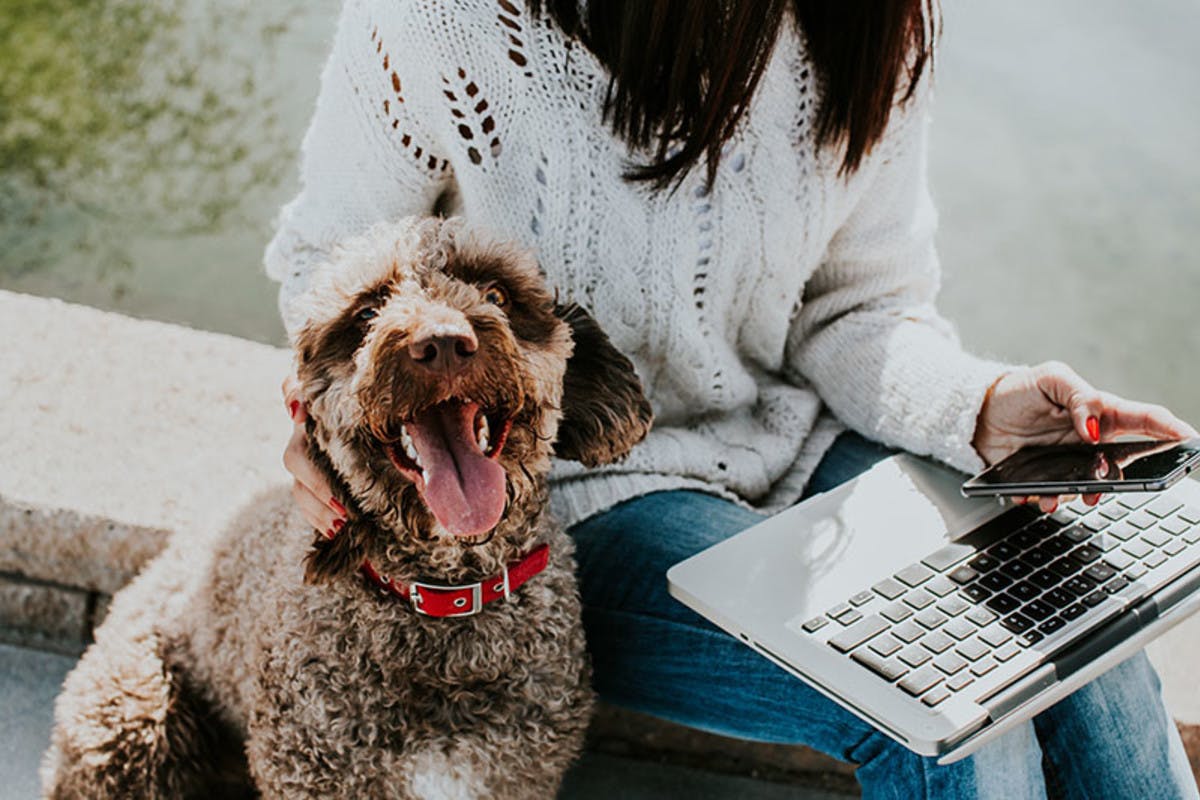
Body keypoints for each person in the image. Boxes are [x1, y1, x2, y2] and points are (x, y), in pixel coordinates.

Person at [267, 1, 1200, 796]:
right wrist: (323, 422)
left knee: (1087, 624)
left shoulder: (875, 21)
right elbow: (325, 261)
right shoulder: (444, 18)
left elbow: (858, 308)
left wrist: (984, 408)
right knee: (950, 702)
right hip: (576, 486)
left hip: (797, 438)